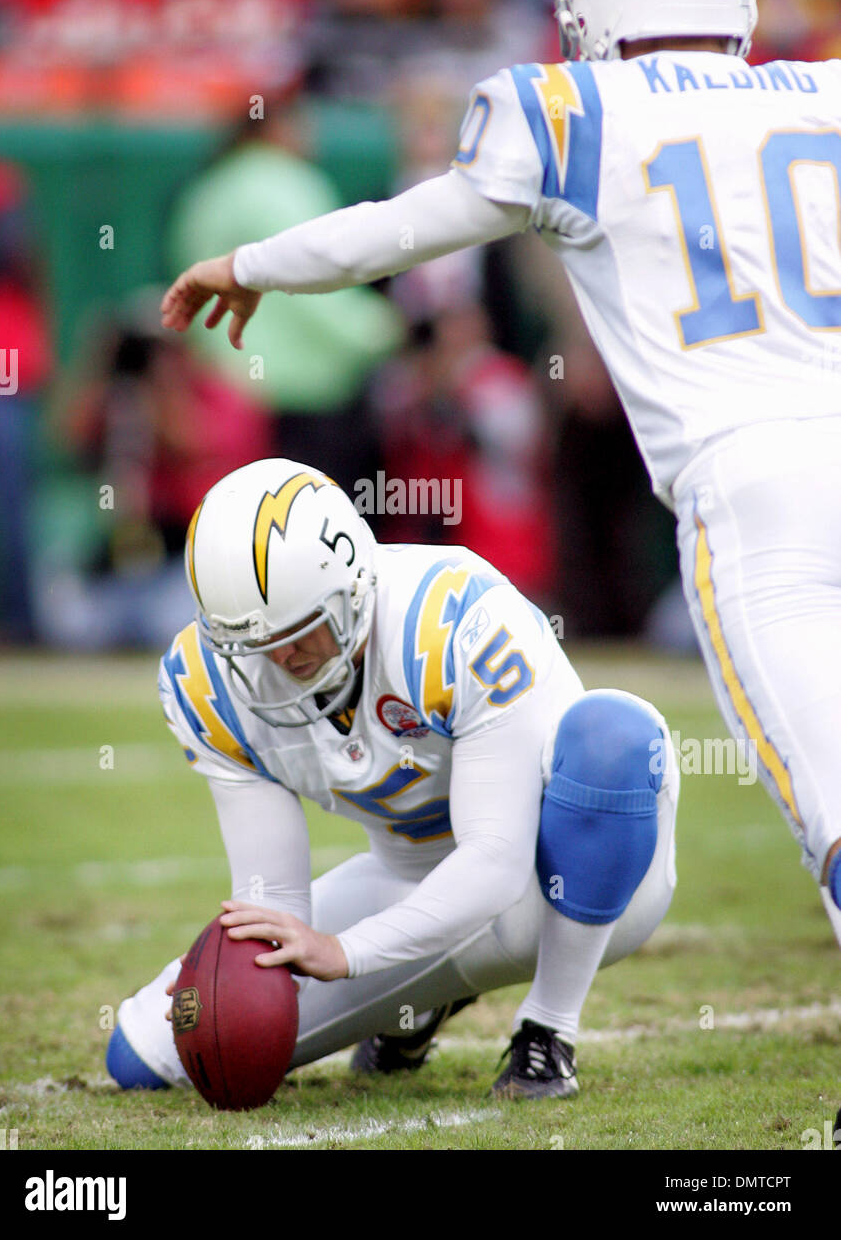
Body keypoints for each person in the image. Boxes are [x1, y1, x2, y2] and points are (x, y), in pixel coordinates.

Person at [160, 0, 841, 948]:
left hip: (748, 486)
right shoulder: (821, 92)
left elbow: (386, 233)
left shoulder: (567, 114)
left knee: (832, 812)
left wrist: (248, 263)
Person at [107, 458, 679, 1098]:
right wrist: (238, 996)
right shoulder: (205, 682)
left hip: (558, 884)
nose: (280, 660)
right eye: (254, 646)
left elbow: (496, 860)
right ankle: (419, 1005)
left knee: (613, 738)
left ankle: (548, 1031)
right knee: (146, 1059)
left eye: (300, 634)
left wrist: (348, 953)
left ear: (353, 590)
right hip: (407, 879)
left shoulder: (452, 620)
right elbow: (273, 904)